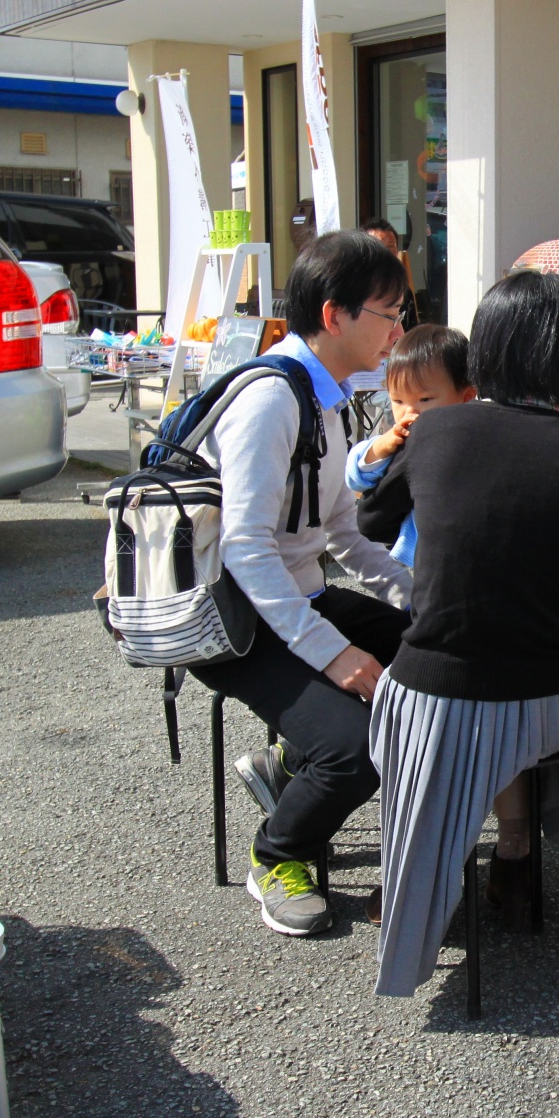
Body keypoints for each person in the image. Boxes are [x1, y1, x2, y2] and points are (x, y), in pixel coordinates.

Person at [358, 270, 559, 996]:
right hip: (556, 695)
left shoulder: (435, 428)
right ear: (557, 353)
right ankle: (518, 851)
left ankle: (421, 882)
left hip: (435, 698)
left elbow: (369, 524)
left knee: (455, 726)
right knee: (531, 715)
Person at [191, 230, 413, 938]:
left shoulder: (332, 397)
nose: (398, 332)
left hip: (296, 600)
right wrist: (334, 654)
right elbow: (245, 549)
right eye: (388, 313)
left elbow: (344, 535)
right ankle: (278, 854)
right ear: (333, 314)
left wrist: (418, 592)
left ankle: (287, 763)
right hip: (232, 620)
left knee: (431, 650)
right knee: (357, 749)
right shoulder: (272, 399)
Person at [343, 324, 477, 601]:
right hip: (425, 551)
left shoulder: (477, 433)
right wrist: (382, 446)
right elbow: (356, 477)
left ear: (466, 396)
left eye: (425, 399)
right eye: (398, 400)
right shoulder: (398, 440)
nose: (409, 411)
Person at [361, 218, 419, 330]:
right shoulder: (352, 290)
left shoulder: (404, 291)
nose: (386, 252)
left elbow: (411, 331)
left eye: (390, 246)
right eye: (379, 246)